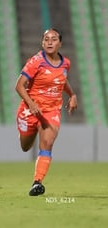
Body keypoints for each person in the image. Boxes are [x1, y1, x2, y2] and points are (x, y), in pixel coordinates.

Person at [15, 28, 78, 196]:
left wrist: (72, 95)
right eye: (46, 39)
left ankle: (37, 182)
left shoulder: (66, 63)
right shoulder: (36, 61)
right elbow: (19, 85)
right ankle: (30, 131)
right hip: (30, 110)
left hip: (51, 110)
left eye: (54, 39)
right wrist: (31, 103)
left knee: (48, 142)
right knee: (25, 146)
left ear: (60, 43)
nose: (50, 42)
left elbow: (61, 81)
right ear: (42, 43)